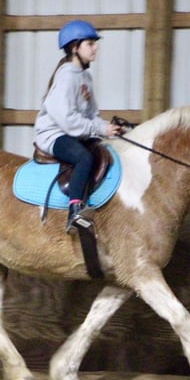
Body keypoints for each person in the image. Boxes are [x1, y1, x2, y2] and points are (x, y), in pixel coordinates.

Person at [34, 19, 122, 234]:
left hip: (73, 132)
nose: (95, 48)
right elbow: (67, 119)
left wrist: (109, 127)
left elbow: (91, 115)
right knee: (84, 157)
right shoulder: (65, 77)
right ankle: (75, 210)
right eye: (90, 44)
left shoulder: (85, 77)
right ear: (75, 48)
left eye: (94, 43)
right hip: (55, 135)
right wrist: (99, 129)